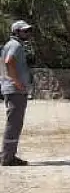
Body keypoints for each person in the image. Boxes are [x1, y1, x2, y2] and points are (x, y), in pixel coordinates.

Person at [1, 20, 33, 166]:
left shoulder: (12, 45)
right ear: (16, 32)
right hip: (15, 90)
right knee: (14, 123)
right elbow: (9, 62)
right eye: (24, 31)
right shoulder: (15, 45)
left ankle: (7, 153)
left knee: (14, 122)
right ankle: (8, 157)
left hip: (13, 89)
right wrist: (17, 82)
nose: (27, 34)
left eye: (28, 31)